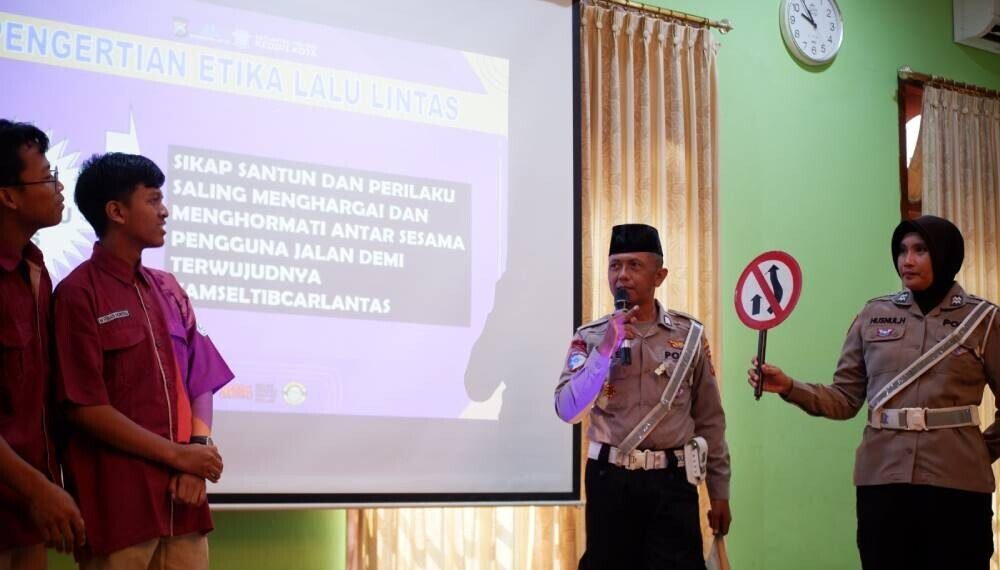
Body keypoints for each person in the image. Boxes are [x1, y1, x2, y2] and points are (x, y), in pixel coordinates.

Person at [749, 215, 1000, 569]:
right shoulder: (873, 315)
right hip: (883, 481)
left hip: (958, 486)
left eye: (920, 250)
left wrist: (976, 451)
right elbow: (845, 399)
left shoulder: (984, 320)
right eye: (901, 251)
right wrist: (790, 387)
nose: (906, 261)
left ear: (946, 255)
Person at [53, 152, 234, 568]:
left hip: (183, 502)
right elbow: (84, 408)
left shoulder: (168, 287)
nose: (164, 210)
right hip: (121, 508)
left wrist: (196, 455)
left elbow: (201, 378)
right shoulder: (77, 294)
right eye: (152, 200)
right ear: (116, 211)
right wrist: (177, 456)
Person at [555, 223, 731, 570]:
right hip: (610, 481)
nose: (622, 276)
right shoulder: (590, 337)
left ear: (659, 275)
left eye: (634, 265)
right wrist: (605, 349)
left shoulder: (689, 335)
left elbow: (710, 420)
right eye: (615, 265)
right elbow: (566, 409)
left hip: (672, 482)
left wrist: (719, 491)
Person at [0, 119, 85, 569]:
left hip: (29, 512)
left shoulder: (36, 271)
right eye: (46, 177)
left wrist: (45, 489)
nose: (57, 187)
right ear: (8, 195)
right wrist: (39, 489)